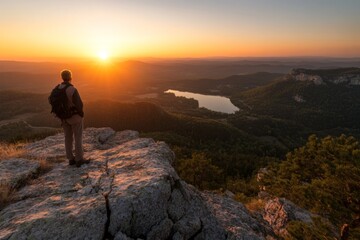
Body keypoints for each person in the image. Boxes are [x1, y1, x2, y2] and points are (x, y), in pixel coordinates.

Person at [58, 69, 89, 167]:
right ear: (70, 77)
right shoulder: (72, 89)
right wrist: (81, 114)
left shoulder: (57, 89)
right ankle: (79, 159)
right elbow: (79, 104)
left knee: (68, 138)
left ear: (62, 77)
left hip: (63, 118)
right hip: (74, 117)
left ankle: (70, 159)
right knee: (78, 137)